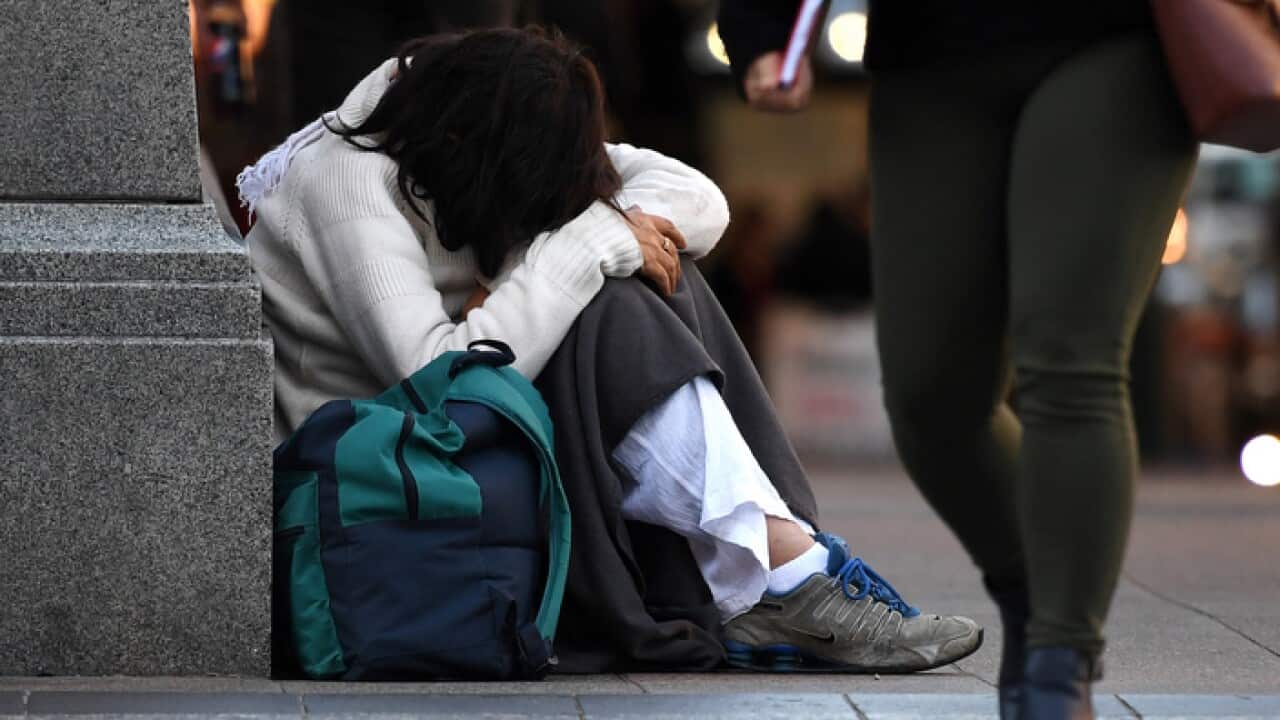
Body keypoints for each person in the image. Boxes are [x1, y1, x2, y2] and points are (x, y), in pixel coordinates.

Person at [238, 26, 981, 674]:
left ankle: (782, 565)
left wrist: (603, 230)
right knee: (613, 288)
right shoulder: (348, 187)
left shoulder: (471, 126)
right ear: (466, 147)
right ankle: (784, 576)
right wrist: (586, 245)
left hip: (472, 470)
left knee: (652, 264)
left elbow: (698, 197)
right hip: (393, 492)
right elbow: (439, 379)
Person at [717, 2, 1196, 717]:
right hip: (933, 52)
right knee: (932, 396)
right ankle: (1037, 599)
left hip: (1116, 36)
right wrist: (763, 26)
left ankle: (1058, 670)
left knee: (1070, 364)